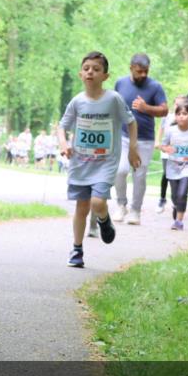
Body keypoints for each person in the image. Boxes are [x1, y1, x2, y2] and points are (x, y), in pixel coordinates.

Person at [57, 51, 139, 268]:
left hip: (105, 162)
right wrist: (64, 144)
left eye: (96, 69)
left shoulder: (113, 99)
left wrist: (132, 148)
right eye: (86, 69)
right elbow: (62, 126)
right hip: (81, 163)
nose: (90, 72)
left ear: (105, 75)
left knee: (97, 202)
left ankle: (104, 219)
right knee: (81, 208)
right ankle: (77, 250)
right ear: (80, 74)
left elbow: (131, 122)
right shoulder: (77, 102)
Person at [112, 53, 168, 225]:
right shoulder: (120, 83)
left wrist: (146, 108)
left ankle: (136, 211)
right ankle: (122, 205)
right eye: (139, 71)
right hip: (123, 135)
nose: (143, 74)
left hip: (144, 139)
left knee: (139, 175)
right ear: (131, 68)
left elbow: (164, 110)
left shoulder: (155, 87)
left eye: (146, 71)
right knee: (120, 171)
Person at [159, 101, 188, 230]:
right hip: (173, 166)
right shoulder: (170, 131)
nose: (181, 116)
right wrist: (166, 149)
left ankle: (178, 221)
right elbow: (163, 145)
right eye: (178, 114)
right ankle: (176, 205)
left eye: (184, 114)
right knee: (175, 195)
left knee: (182, 193)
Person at [156, 96, 188, 214]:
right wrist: (158, 141)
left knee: (179, 177)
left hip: (180, 152)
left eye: (180, 105)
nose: (177, 107)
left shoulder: (185, 118)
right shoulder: (167, 117)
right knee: (167, 174)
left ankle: (176, 201)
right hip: (167, 150)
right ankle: (162, 199)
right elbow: (161, 129)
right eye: (176, 104)